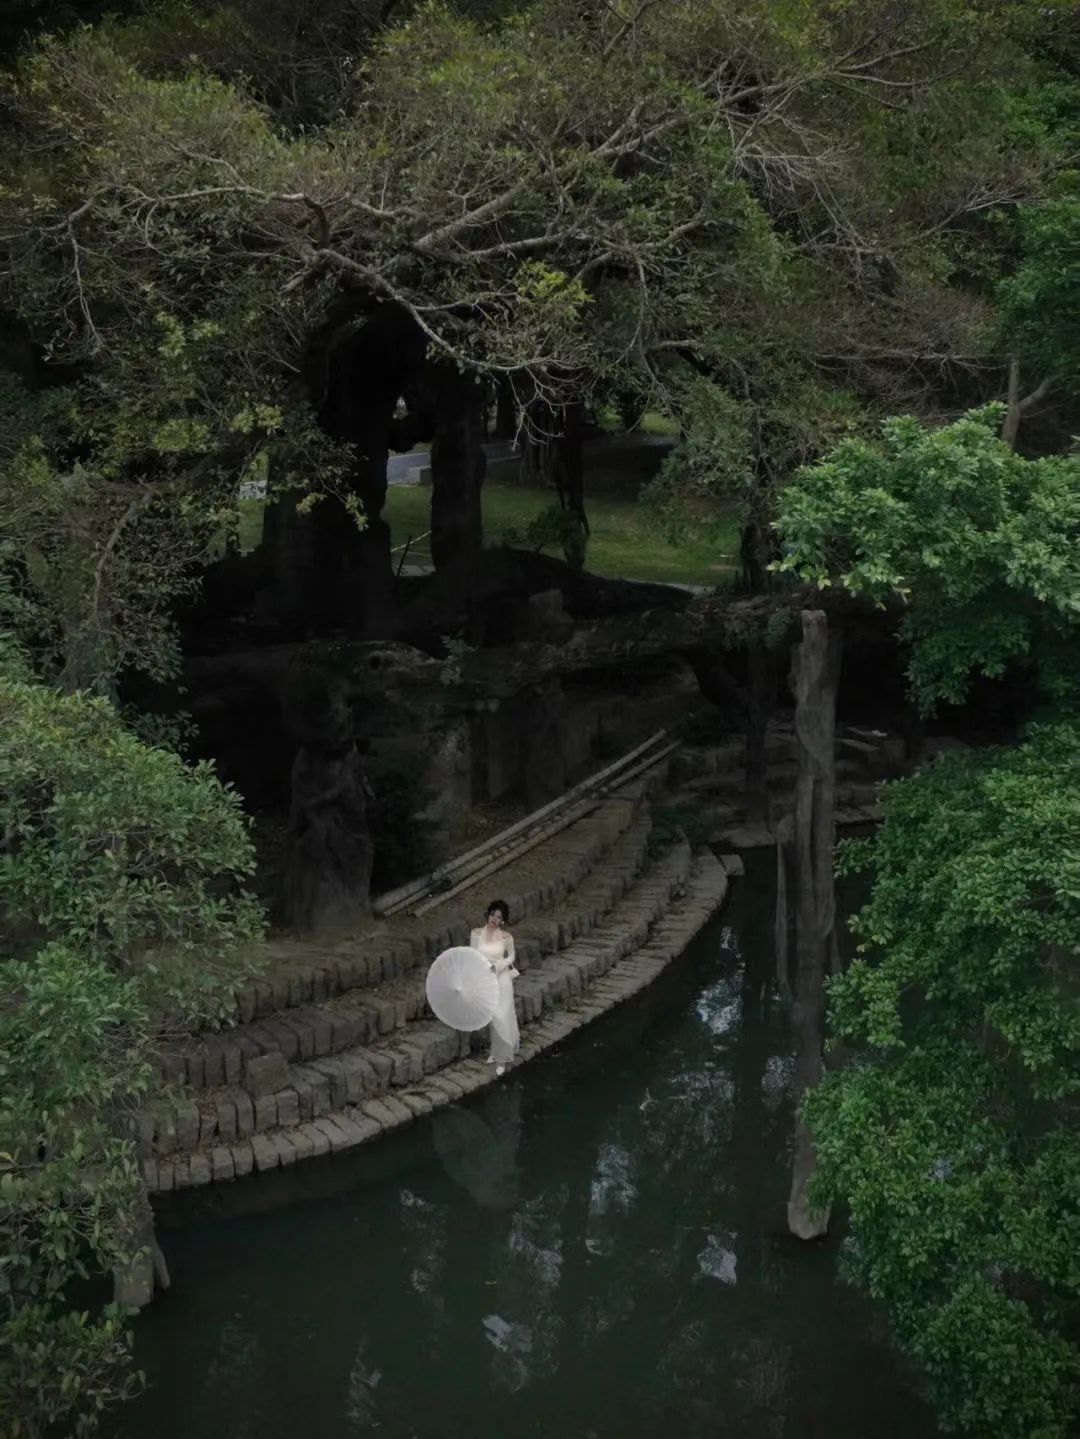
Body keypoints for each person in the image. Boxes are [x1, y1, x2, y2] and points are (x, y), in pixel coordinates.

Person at [470, 900, 519, 1076]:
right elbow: (473, 955)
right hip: (485, 979)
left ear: (503, 920)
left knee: (501, 1016)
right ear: (488, 914)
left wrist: (498, 967)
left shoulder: (507, 937)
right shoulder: (476, 934)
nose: (494, 919)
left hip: (502, 978)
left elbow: (511, 956)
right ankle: (494, 1051)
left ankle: (502, 1058)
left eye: (499, 917)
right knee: (491, 1016)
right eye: (493, 915)